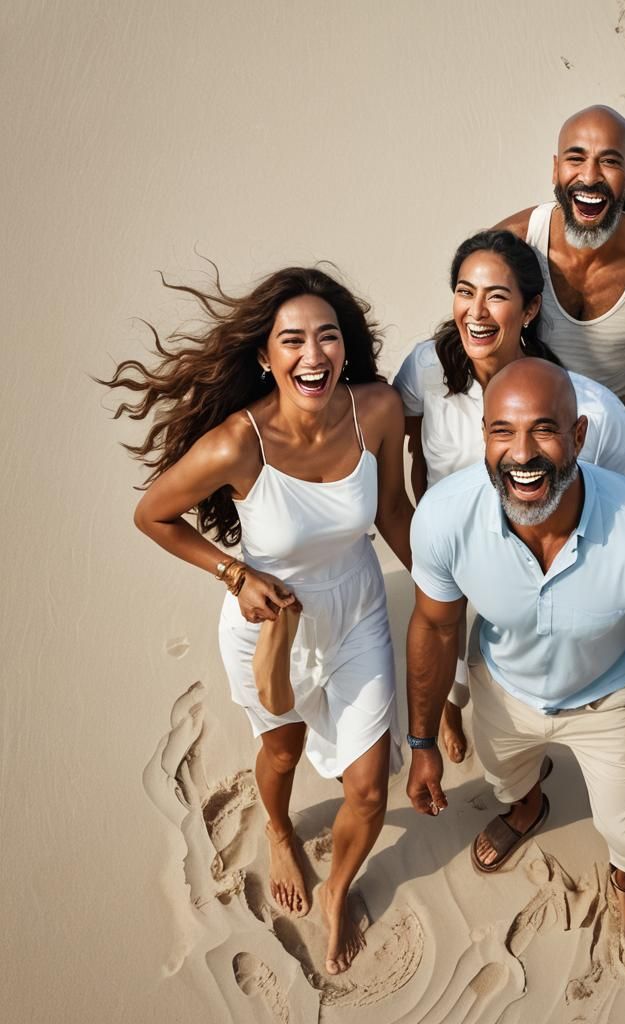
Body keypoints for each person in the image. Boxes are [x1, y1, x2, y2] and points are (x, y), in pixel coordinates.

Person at [101, 267, 414, 975]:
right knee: (282, 751)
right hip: (270, 624)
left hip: (358, 610)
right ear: (266, 359)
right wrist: (235, 574)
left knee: (369, 788)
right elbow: (152, 514)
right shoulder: (238, 444)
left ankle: (338, 890)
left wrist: (438, 592)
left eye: (328, 337)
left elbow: (393, 509)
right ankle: (278, 829)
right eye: (293, 340)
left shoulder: (378, 410)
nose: (314, 355)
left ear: (345, 347)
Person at [403, 358, 625, 955]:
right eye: (503, 431)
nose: (522, 454)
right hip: (502, 689)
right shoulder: (443, 516)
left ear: (579, 436)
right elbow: (435, 628)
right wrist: (421, 742)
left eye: (544, 430)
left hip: (608, 701)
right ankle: (528, 807)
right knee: (505, 781)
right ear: (484, 435)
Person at [394, 228, 625, 763]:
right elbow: (413, 444)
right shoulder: (425, 367)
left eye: (496, 296)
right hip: (453, 545)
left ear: (530, 309)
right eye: (465, 292)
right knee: (443, 637)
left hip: (534, 553)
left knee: (514, 661)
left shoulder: (588, 408)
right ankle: (448, 712)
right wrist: (427, 522)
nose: (476, 312)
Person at [496, 104, 625, 447]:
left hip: (609, 435)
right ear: (556, 169)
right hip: (522, 434)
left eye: (610, 162)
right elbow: (478, 335)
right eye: (576, 159)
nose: (589, 177)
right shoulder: (514, 244)